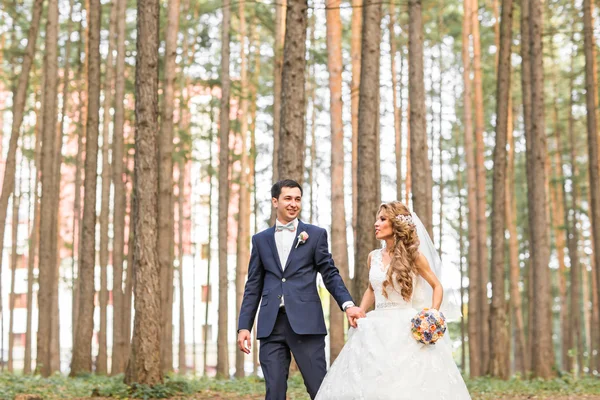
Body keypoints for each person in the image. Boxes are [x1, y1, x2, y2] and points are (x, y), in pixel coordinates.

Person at [315, 201, 471, 400]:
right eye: (376, 219)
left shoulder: (414, 256)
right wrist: (360, 311)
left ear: (396, 224)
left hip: (406, 327)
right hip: (374, 326)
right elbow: (372, 289)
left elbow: (437, 286)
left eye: (382, 219)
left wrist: (432, 314)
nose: (376, 224)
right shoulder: (373, 257)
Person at [237, 179, 365, 400]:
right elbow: (253, 285)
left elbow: (329, 273)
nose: (293, 204)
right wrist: (244, 326)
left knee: (319, 390)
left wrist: (348, 304)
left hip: (307, 325)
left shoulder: (314, 235)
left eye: (297, 199)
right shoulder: (260, 240)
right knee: (274, 392)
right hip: (271, 326)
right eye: (288, 198)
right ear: (275, 201)